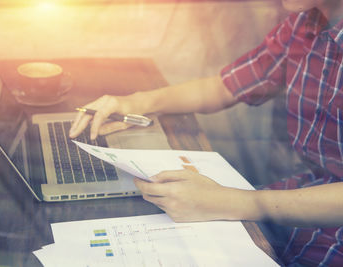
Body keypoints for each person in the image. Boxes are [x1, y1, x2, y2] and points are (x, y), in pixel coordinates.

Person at [69, 0, 343, 265]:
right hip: (309, 194)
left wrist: (235, 202)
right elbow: (227, 86)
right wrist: (136, 102)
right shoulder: (304, 24)